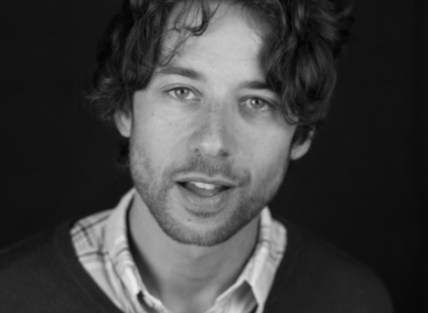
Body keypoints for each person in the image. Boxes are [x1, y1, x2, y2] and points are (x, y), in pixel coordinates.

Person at [0, 0, 393, 312]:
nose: (212, 141)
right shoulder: (11, 296)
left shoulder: (355, 300)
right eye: (182, 92)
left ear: (302, 135)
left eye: (257, 101)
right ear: (125, 109)